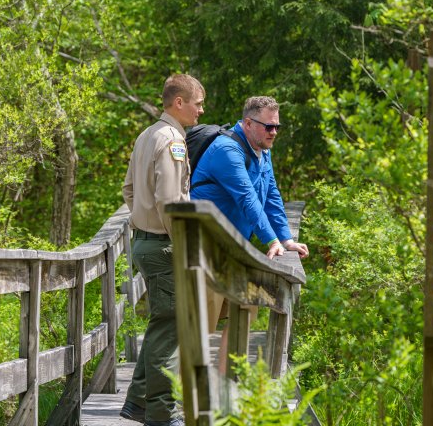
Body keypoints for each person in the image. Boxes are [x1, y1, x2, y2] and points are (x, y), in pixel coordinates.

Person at [190, 96, 308, 370]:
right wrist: (270, 240)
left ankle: (225, 384)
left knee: (245, 308)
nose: (274, 133)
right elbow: (247, 198)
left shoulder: (262, 150)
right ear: (248, 123)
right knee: (200, 326)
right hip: (204, 249)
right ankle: (185, 397)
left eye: (277, 126)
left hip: (232, 249)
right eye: (269, 127)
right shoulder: (226, 150)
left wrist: (286, 239)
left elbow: (271, 195)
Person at [120, 74, 205, 426]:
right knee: (169, 332)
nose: (202, 110)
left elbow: (128, 191)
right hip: (164, 246)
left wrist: (143, 220)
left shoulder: (146, 135)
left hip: (144, 241)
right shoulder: (172, 140)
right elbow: (171, 202)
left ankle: (139, 402)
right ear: (179, 102)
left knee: (160, 325)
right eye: (198, 103)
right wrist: (181, 243)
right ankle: (161, 413)